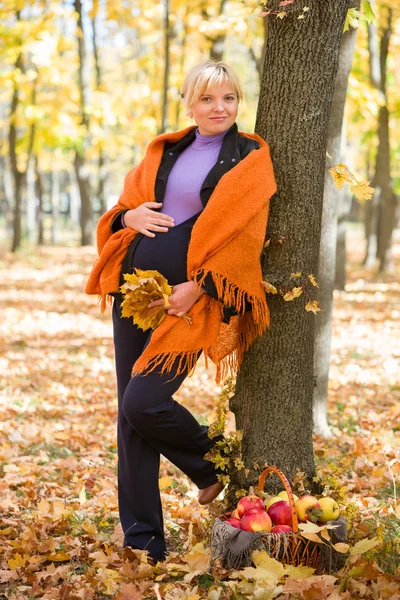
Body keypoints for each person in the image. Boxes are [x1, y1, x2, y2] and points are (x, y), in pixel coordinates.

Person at [85, 60, 277, 563]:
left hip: (192, 301)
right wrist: (129, 215)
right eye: (208, 99)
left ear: (239, 103)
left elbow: (243, 237)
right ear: (190, 103)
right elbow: (120, 210)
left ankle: (211, 465)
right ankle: (143, 543)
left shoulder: (249, 158)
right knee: (130, 417)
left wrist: (201, 286)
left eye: (229, 98)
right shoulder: (163, 149)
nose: (220, 108)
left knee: (144, 402)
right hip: (136, 292)